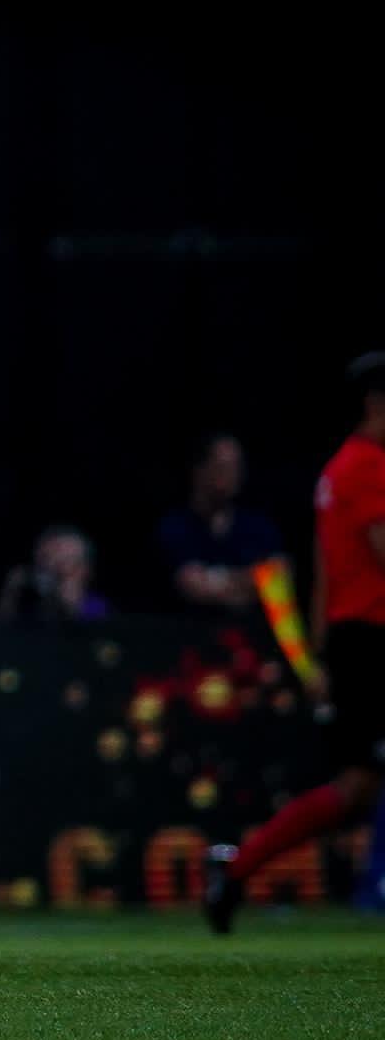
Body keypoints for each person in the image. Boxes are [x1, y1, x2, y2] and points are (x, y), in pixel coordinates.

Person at [208, 353, 385, 932]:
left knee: (356, 791)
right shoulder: (368, 469)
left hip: (351, 640)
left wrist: (318, 654)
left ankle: (237, 873)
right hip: (373, 641)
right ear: (375, 402)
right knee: (356, 789)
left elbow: (323, 572)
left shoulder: (336, 472)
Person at [158, 433, 282, 612]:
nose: (233, 476)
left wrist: (216, 579)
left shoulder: (259, 528)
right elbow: (194, 588)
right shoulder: (175, 528)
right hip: (190, 633)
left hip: (251, 633)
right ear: (199, 470)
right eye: (222, 467)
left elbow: (278, 581)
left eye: (237, 468)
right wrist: (253, 578)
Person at [0, 526, 108, 624]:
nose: (49, 569)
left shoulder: (97, 609)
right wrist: (11, 594)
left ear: (84, 570)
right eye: (44, 559)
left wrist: (71, 607)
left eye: (62, 562)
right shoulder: (27, 608)